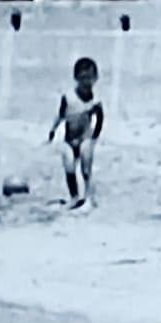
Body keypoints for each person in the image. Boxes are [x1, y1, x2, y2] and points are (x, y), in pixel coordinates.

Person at [46, 56, 105, 209]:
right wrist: (53, 130)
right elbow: (61, 115)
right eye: (83, 78)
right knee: (69, 164)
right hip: (69, 139)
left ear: (95, 78)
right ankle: (74, 196)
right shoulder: (68, 98)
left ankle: (88, 196)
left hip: (85, 138)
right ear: (76, 78)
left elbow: (100, 118)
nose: (86, 82)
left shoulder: (95, 100)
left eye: (90, 78)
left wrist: (94, 136)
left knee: (86, 166)